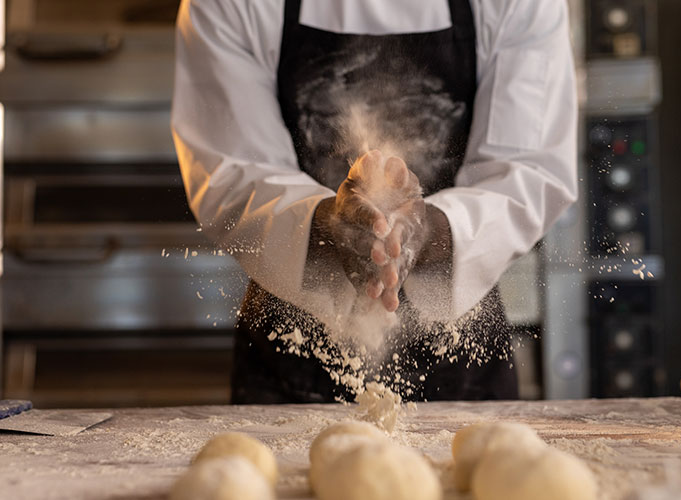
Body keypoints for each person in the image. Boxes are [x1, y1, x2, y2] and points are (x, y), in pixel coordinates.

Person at [172, 0, 578, 403]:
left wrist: (425, 230)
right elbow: (230, 171)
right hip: (288, 352)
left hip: (462, 358)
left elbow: (528, 169)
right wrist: (332, 225)